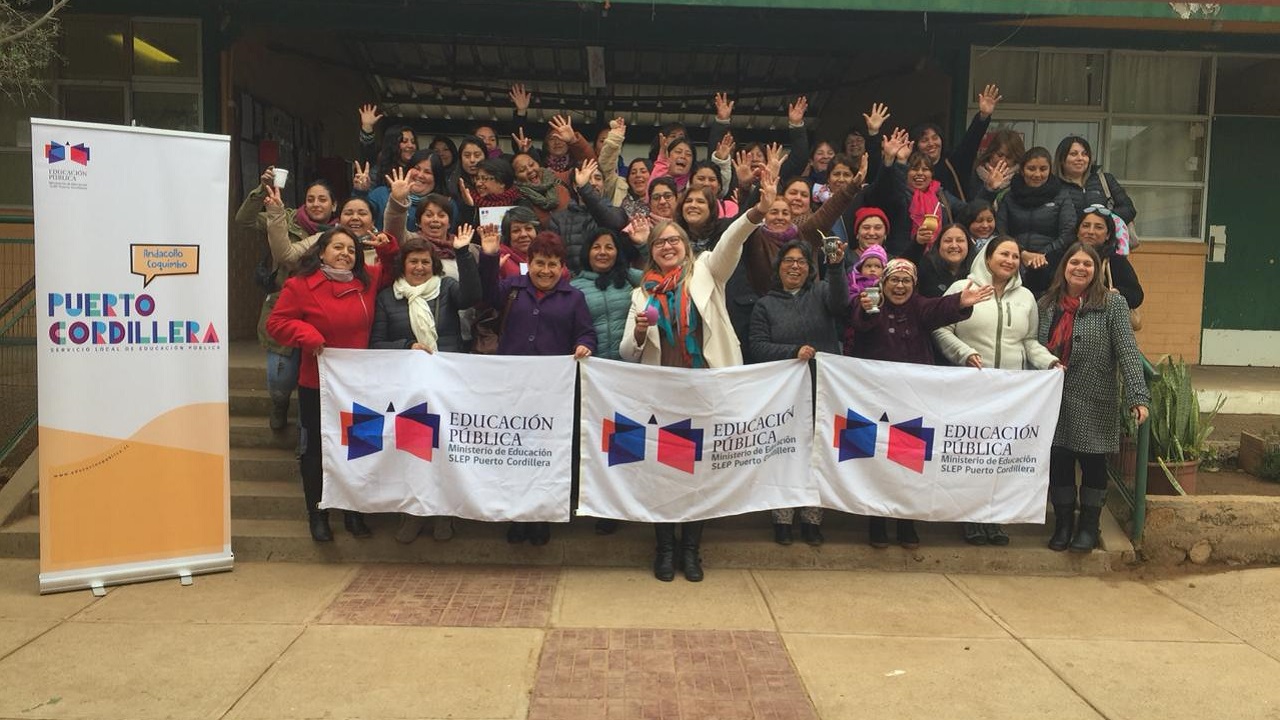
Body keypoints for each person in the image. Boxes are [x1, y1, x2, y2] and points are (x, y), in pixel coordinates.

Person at [618, 168, 773, 582]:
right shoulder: (641, 294)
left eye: (675, 241)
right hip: (663, 393)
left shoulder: (706, 270)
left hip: (706, 388)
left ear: (686, 247)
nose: (668, 246)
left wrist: (756, 212)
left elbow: (731, 242)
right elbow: (627, 352)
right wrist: (638, 332)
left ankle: (691, 550)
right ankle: (665, 549)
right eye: (660, 243)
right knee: (663, 472)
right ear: (652, 251)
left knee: (699, 472)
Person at [267, 225, 399, 542]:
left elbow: (392, 271)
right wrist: (307, 334)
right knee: (316, 449)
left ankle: (353, 510)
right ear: (322, 252)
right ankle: (318, 513)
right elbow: (277, 323)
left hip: (361, 385)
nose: (345, 254)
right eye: (338, 247)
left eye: (352, 250)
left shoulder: (366, 281)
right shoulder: (300, 285)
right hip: (319, 384)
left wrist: (387, 248)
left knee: (360, 447)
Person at [850, 258, 993, 548]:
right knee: (875, 462)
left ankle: (906, 523)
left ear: (914, 285)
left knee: (907, 465)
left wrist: (960, 302)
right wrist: (866, 310)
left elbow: (938, 308)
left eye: (906, 281)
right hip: (874, 402)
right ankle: (877, 522)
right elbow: (860, 322)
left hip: (911, 403)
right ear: (883, 283)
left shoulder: (919, 307)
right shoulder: (869, 303)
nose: (899, 286)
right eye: (894, 280)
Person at [933, 237, 1061, 545]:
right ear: (987, 257)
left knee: (1000, 456)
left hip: (1010, 393)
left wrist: (1049, 361)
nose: (1010, 260)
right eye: (1004, 254)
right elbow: (940, 327)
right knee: (971, 455)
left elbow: (1029, 341)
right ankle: (970, 518)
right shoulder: (963, 288)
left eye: (1015, 256)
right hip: (970, 388)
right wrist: (964, 353)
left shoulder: (1026, 297)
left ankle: (994, 518)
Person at [479, 230, 596, 546]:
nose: (546, 271)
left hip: (552, 395)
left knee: (545, 456)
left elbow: (587, 333)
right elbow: (486, 294)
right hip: (512, 390)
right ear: (529, 263)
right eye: (540, 263)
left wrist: (584, 345)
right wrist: (489, 256)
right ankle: (517, 516)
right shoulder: (512, 289)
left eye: (553, 264)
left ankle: (542, 516)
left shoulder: (574, 298)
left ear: (562, 267)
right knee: (514, 454)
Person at [369, 229, 482, 544]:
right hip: (408, 389)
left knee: (444, 449)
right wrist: (407, 346)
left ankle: (444, 513)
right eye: (413, 262)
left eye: (425, 262)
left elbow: (473, 296)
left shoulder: (447, 288)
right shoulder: (387, 297)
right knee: (413, 452)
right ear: (402, 265)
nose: (419, 267)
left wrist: (463, 253)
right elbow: (376, 343)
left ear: (434, 265)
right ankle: (413, 514)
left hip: (447, 384)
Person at [1038, 243, 1149, 553]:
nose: (1080, 268)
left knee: (1093, 464)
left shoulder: (1112, 304)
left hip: (1095, 396)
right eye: (1074, 262)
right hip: (1055, 398)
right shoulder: (1046, 304)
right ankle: (1063, 524)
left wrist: (1137, 396)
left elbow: (1127, 350)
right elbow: (1034, 347)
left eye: (1088, 264)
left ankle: (1089, 525)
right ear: (1064, 267)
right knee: (1060, 461)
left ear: (1096, 270)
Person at [749, 239, 849, 546]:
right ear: (778, 267)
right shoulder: (765, 305)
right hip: (784, 395)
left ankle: (811, 519)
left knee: (817, 454)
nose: (795, 266)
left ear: (810, 268)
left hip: (822, 389)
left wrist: (836, 267)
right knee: (785, 453)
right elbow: (757, 346)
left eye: (802, 262)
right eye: (788, 261)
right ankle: (782, 519)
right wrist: (792, 351)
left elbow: (841, 304)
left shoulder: (821, 293)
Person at [235, 168, 336, 431]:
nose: (316, 204)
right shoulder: (283, 216)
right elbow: (243, 220)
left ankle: (305, 433)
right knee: (280, 377)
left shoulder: (340, 235)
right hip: (284, 308)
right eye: (311, 199)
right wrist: (262, 190)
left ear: (334, 205)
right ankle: (279, 404)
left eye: (322, 199)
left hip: (321, 313)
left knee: (315, 381)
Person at [997, 147, 1076, 297]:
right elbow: (1001, 230)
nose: (1037, 174)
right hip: (1013, 260)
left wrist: (1041, 255)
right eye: (1031, 169)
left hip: (1051, 262)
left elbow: (1068, 232)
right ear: (1022, 170)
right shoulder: (1009, 197)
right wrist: (1022, 253)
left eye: (1043, 169)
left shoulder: (1061, 195)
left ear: (1050, 170)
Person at [912, 84, 1002, 201]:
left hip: (956, 212)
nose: (931, 143)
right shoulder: (910, 170)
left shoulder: (953, 162)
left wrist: (983, 116)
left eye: (935, 138)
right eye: (924, 140)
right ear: (916, 145)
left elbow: (970, 142)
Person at [1071, 205, 1144, 311]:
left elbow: (1136, 295)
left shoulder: (1116, 261)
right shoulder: (1062, 257)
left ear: (1108, 235)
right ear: (1077, 231)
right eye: (1086, 226)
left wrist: (1117, 293)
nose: (1091, 231)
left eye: (1099, 227)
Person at [1054, 136, 1137, 225]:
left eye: (1084, 154)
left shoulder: (1105, 180)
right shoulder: (1053, 185)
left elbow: (1129, 210)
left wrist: (1102, 220)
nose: (1080, 158)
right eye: (1073, 154)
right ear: (1061, 159)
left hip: (1106, 233)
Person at [902, 223, 977, 298]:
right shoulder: (926, 266)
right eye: (948, 241)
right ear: (939, 246)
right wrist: (918, 243)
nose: (954, 245)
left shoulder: (977, 270)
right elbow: (902, 267)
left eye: (960, 240)